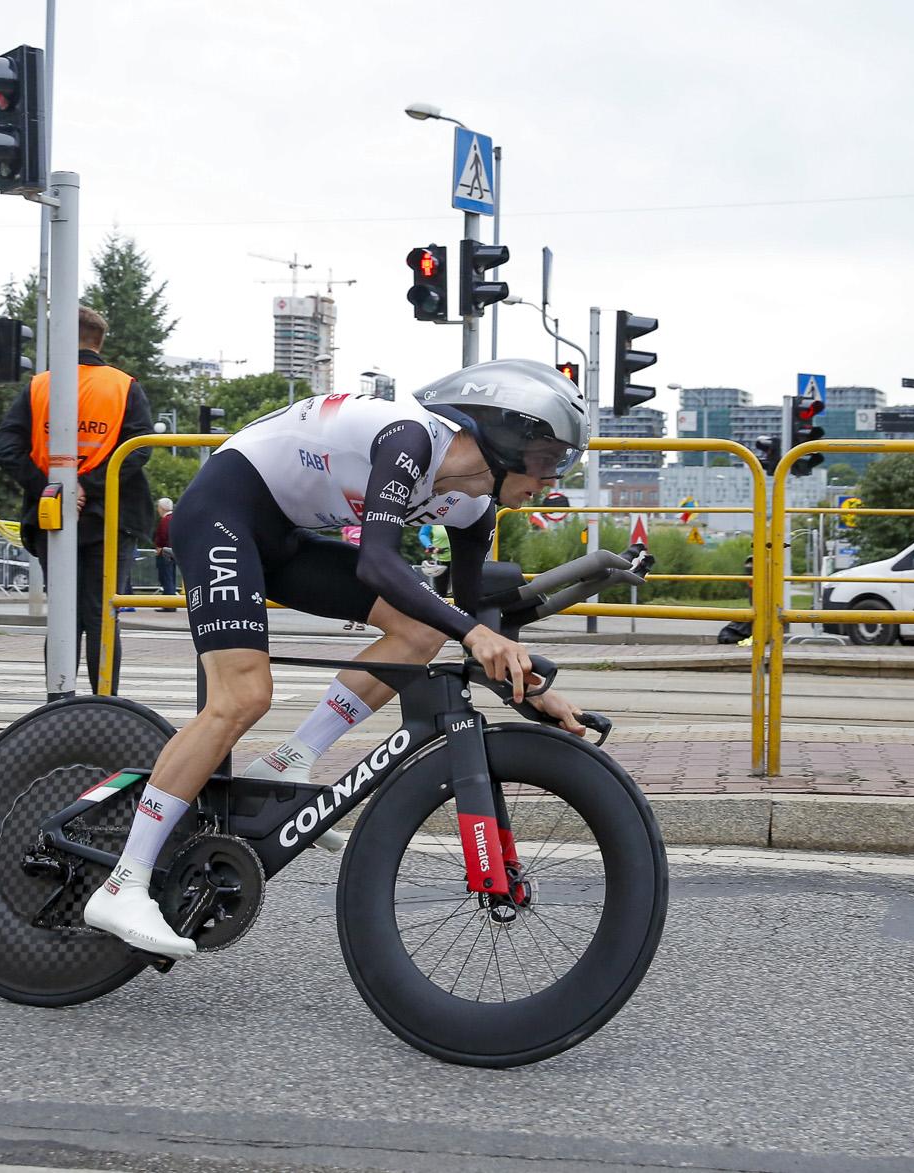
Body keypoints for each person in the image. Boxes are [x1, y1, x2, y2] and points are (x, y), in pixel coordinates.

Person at [81, 359, 593, 958]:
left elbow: (472, 623)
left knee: (420, 630)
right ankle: (123, 882)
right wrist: (476, 636)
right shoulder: (409, 439)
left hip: (283, 538)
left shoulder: (474, 510)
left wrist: (533, 691)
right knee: (242, 696)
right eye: (547, 459)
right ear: (506, 436)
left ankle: (289, 760)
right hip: (224, 511)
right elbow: (378, 562)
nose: (551, 479)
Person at [0, 305, 154, 695]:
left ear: (65, 337)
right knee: (103, 615)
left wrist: (56, 484)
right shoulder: (124, 386)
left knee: (63, 616)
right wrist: (90, 483)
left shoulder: (40, 386)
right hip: (111, 517)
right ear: (99, 341)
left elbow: (7, 448)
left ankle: (57, 699)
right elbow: (139, 448)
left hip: (54, 515)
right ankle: (104, 705)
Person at [151, 496, 177, 605]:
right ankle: (172, 602)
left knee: (166, 578)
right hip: (174, 552)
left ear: (162, 508)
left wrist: (159, 547)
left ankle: (168, 604)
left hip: (165, 552)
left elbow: (162, 537)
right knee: (171, 577)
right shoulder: (176, 518)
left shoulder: (165, 520)